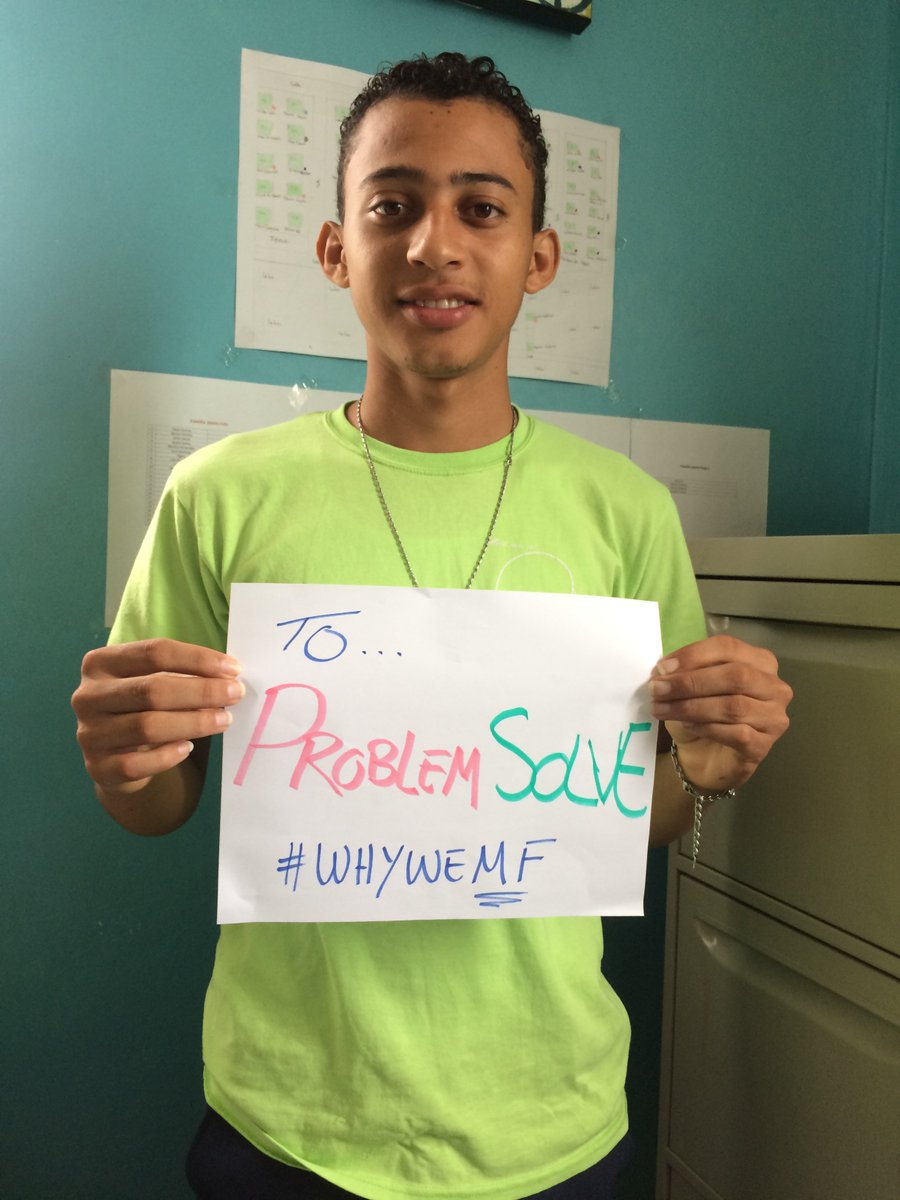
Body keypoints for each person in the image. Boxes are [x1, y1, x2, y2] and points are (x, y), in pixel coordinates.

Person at [72, 52, 791, 1200]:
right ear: (335, 248)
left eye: (482, 209)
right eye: (392, 206)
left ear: (538, 257)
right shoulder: (220, 495)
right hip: (290, 1118)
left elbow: (628, 818)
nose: (434, 245)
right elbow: (162, 802)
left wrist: (706, 769)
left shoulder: (626, 513)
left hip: (548, 1119)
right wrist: (123, 762)